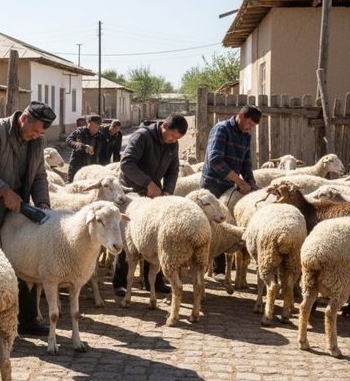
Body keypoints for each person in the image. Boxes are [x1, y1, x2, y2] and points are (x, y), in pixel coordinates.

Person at [0, 100, 56, 338]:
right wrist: (5, 192)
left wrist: (43, 204)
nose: (36, 136)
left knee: (24, 263)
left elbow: (39, 175)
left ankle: (27, 320)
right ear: (24, 119)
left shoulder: (37, 142)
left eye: (40, 133)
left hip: (18, 212)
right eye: (34, 130)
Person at [112, 113, 189, 296]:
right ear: (164, 126)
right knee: (127, 237)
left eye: (176, 138)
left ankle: (153, 281)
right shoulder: (142, 136)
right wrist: (147, 183)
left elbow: (173, 170)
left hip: (154, 194)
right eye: (172, 136)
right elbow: (126, 163)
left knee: (152, 235)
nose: (173, 140)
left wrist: (168, 192)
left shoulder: (172, 144)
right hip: (131, 192)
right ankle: (120, 282)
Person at [201, 104, 262, 278]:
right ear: (240, 116)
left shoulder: (245, 136)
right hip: (213, 183)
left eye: (253, 126)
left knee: (229, 221)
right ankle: (216, 267)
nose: (250, 127)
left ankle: (225, 263)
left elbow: (246, 163)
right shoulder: (221, 129)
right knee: (215, 221)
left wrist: (251, 183)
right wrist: (239, 181)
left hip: (230, 184)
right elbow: (215, 160)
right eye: (249, 123)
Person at [66, 113, 102, 182]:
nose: (93, 129)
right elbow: (69, 140)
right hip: (77, 165)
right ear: (88, 124)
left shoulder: (101, 136)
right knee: (72, 184)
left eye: (96, 127)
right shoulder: (80, 132)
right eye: (91, 126)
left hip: (92, 167)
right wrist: (82, 146)